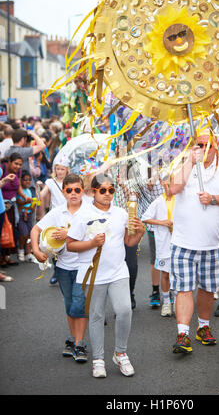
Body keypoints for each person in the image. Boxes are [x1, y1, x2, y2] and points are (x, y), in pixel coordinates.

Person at [66, 174, 145, 378]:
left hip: (118, 270)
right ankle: (98, 359)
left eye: (111, 190)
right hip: (93, 274)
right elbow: (70, 244)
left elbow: (129, 242)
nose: (108, 194)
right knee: (97, 316)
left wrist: (140, 233)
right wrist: (91, 244)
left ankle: (120, 353)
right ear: (93, 192)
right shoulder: (82, 215)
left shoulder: (121, 213)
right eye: (103, 190)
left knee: (125, 310)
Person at [169, 132, 219, 354]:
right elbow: (173, 189)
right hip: (183, 241)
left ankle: (203, 327)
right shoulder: (185, 163)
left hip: (212, 243)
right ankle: (183, 334)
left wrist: (214, 199)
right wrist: (190, 161)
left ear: (216, 148)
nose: (203, 148)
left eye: (208, 144)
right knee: (184, 288)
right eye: (199, 144)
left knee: (207, 289)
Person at [31, 173, 89, 362]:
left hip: (84, 265)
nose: (73, 193)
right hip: (63, 265)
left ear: (83, 190)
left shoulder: (90, 210)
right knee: (69, 304)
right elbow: (36, 229)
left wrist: (68, 233)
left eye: (77, 190)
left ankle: (80, 343)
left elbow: (98, 232)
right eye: (69, 190)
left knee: (79, 304)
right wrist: (36, 250)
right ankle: (72, 338)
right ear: (63, 192)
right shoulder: (57, 212)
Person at [142, 176, 175, 317]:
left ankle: (179, 300)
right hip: (164, 244)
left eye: (172, 183)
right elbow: (145, 218)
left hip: (179, 242)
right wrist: (162, 223)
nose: (169, 186)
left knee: (179, 274)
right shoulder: (158, 201)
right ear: (162, 183)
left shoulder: (180, 200)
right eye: (167, 183)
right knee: (165, 273)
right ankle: (167, 302)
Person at [39, 153, 69, 284]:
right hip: (56, 217)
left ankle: (66, 270)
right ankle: (57, 271)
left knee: (68, 244)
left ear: (67, 169)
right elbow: (42, 194)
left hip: (70, 215)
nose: (60, 171)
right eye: (57, 168)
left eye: (62, 169)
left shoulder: (71, 182)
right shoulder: (50, 182)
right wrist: (37, 189)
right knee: (56, 244)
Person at [0, 153, 31, 266]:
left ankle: (6, 257)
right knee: (3, 231)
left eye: (20, 164)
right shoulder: (2, 169)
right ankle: (1, 259)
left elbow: (18, 186)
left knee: (11, 230)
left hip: (12, 205)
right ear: (9, 162)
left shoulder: (17, 172)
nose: (18, 166)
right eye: (15, 164)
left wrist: (24, 197)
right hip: (3, 205)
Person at [16, 171, 34, 262]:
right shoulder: (19, 191)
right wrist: (26, 202)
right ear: (21, 180)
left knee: (30, 235)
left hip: (29, 214)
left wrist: (33, 205)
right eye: (25, 180)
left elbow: (32, 205)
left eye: (29, 180)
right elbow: (19, 202)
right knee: (24, 234)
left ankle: (28, 253)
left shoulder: (29, 191)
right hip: (21, 214)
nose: (28, 182)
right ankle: (21, 250)